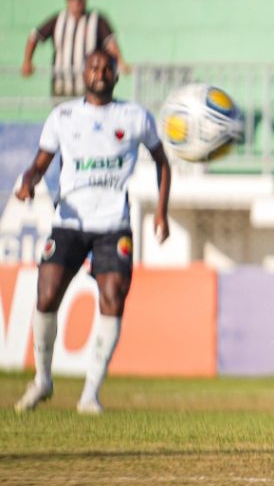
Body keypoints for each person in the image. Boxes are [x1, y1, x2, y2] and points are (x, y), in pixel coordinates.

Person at [13, 49, 171, 415]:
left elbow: (163, 162)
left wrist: (161, 212)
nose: (100, 72)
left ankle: (90, 394)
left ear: (117, 74)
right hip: (70, 220)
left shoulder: (134, 116)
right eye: (94, 67)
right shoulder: (63, 116)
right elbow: (39, 163)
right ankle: (43, 380)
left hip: (113, 224)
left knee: (113, 297)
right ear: (83, 74)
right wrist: (28, 182)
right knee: (47, 294)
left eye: (107, 68)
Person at [22, 0, 131, 97]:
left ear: (85, 1)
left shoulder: (97, 20)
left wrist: (121, 62)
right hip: (62, 82)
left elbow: (111, 44)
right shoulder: (58, 20)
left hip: (89, 83)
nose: (77, 2)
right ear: (67, 2)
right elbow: (34, 37)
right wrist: (27, 62)